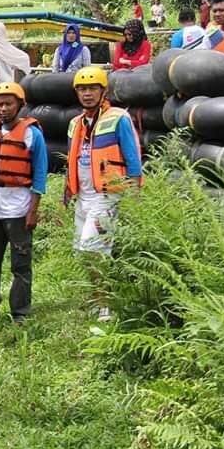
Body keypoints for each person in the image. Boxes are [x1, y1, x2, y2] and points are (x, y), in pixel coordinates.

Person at [64, 67, 143, 322]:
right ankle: (95, 299)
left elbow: (133, 159)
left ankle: (105, 306)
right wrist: (67, 188)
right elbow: (72, 158)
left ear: (103, 91)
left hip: (107, 194)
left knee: (92, 248)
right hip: (83, 196)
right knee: (80, 251)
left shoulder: (118, 118)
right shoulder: (75, 123)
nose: (87, 94)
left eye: (92, 89)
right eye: (82, 89)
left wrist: (134, 192)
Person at [0, 82, 47, 324]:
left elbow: (39, 174)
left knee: (21, 261)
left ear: (20, 105)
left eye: (8, 104)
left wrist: (33, 210)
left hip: (19, 205)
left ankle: (20, 311)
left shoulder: (32, 134)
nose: (3, 109)